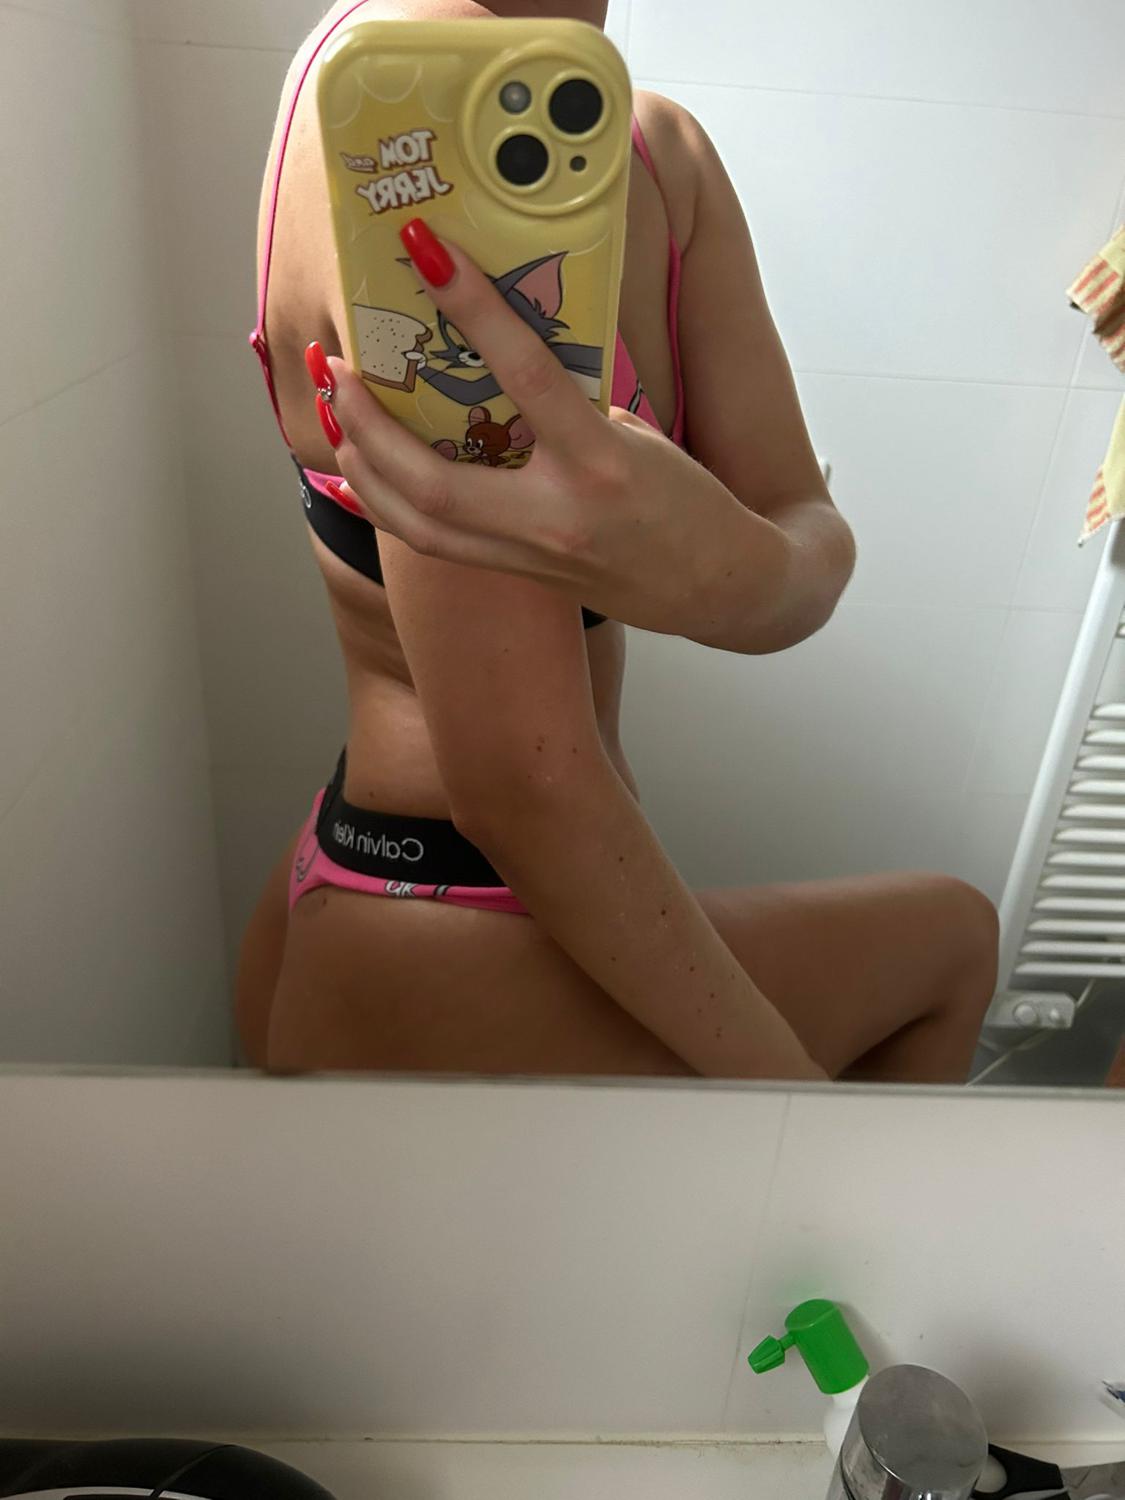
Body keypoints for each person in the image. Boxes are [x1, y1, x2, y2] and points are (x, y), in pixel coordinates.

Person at [237, 0, 998, 1080]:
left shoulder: (651, 144)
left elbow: (804, 525)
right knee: (957, 942)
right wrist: (792, 1107)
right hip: (456, 919)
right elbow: (520, 787)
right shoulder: (415, 129)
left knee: (949, 935)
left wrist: (732, 574)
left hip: (388, 861)